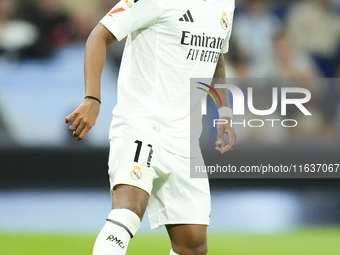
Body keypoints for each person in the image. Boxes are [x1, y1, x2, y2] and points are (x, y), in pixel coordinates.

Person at [65, 0, 236, 254]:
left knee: (193, 246)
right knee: (128, 211)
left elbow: (217, 57)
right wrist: (92, 98)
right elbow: (98, 35)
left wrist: (224, 111)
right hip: (142, 125)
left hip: (185, 140)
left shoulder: (225, 4)